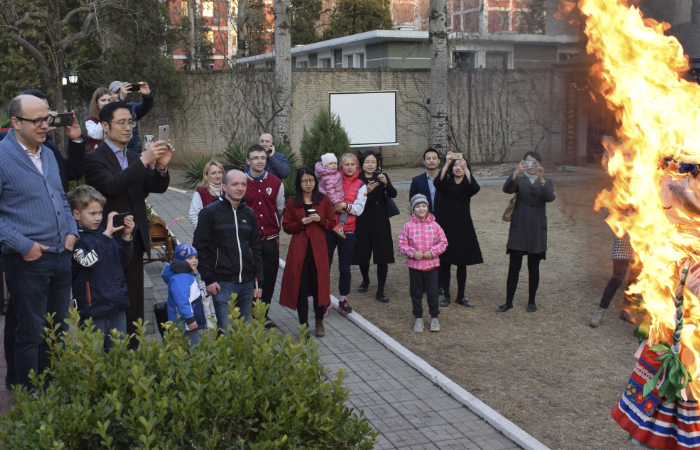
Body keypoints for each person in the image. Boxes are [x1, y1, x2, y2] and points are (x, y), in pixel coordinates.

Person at [1, 89, 85, 387]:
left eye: (47, 119)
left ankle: (52, 395)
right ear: (15, 122)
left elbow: (61, 197)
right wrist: (25, 246)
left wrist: (72, 233)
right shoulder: (2, 157)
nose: (44, 125)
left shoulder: (47, 153)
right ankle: (28, 400)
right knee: (31, 334)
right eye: (36, 120)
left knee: (57, 333)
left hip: (61, 258)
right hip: (27, 261)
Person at [84, 101, 173, 349]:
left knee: (134, 305)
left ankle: (132, 356)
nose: (127, 128)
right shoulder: (93, 159)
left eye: (130, 122)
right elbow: (112, 187)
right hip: (108, 243)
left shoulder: (134, 157)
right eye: (121, 122)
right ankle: (107, 359)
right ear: (104, 126)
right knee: (109, 303)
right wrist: (144, 161)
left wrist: (162, 166)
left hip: (133, 241)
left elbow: (152, 188)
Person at [193, 170, 263, 326]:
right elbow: (200, 247)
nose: (240, 188)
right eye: (235, 184)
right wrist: (209, 279)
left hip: (247, 282)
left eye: (243, 184)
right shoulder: (209, 212)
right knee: (226, 331)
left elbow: (256, 248)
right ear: (224, 187)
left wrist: (258, 282)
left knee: (243, 331)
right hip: (222, 283)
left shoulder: (249, 213)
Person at [68, 186, 133, 352]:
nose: (98, 218)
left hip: (116, 306)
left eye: (100, 213)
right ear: (76, 214)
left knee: (119, 356)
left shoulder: (103, 233)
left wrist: (126, 237)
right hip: (93, 310)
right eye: (92, 213)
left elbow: (122, 262)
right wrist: (107, 235)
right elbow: (88, 262)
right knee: (94, 357)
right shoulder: (75, 239)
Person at [279, 168, 337, 337]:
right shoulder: (291, 203)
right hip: (299, 253)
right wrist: (301, 223)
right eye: (304, 181)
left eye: (311, 180)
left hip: (318, 251)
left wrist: (321, 220)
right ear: (299, 183)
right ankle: (303, 325)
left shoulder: (324, 200)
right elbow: (287, 228)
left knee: (320, 287)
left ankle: (319, 322)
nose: (308, 184)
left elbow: (332, 224)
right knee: (301, 289)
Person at [497, 151, 555, 313]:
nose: (531, 166)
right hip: (519, 228)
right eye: (528, 163)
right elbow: (507, 189)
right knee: (514, 267)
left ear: (540, 164)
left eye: (534, 163)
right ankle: (508, 302)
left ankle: (532, 301)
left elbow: (550, 198)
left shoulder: (546, 181)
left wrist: (541, 178)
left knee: (533, 267)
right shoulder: (519, 180)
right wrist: (516, 172)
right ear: (524, 163)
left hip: (537, 229)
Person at [434, 151, 483, 308]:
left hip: (463, 226)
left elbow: (475, 188)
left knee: (462, 263)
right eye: (456, 165)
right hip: (446, 225)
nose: (458, 167)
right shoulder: (446, 183)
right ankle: (447, 296)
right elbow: (437, 182)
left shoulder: (467, 185)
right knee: (446, 262)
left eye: (461, 165)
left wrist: (467, 169)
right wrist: (447, 163)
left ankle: (460, 296)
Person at [244, 145, 285, 327]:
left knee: (268, 279)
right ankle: (250, 314)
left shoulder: (276, 183)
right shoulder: (241, 183)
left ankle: (263, 315)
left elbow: (280, 207)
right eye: (255, 158)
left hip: (270, 240)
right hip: (247, 242)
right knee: (250, 279)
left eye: (262, 157)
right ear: (248, 161)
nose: (259, 161)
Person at [397, 194, 448, 332]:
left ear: (427, 208)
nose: (421, 209)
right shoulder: (408, 226)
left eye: (423, 206)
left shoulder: (435, 225)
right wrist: (412, 253)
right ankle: (418, 317)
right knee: (416, 293)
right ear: (413, 209)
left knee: (433, 293)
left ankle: (434, 317)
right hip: (414, 267)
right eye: (418, 206)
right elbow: (401, 244)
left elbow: (443, 242)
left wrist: (432, 252)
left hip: (431, 267)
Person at [352, 151, 397, 303]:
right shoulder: (357, 178)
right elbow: (353, 199)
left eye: (373, 162)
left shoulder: (381, 176)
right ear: (362, 164)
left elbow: (393, 193)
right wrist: (367, 191)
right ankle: (365, 280)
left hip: (380, 221)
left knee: (382, 254)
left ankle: (380, 290)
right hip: (363, 220)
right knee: (363, 253)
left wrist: (386, 183)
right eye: (367, 162)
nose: (370, 165)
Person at [326, 153, 367, 314]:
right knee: (325, 266)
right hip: (329, 229)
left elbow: (358, 208)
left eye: (352, 164)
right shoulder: (332, 179)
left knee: (345, 267)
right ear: (341, 166)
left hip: (347, 231)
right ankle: (324, 300)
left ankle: (343, 299)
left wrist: (344, 206)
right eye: (346, 164)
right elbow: (324, 198)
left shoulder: (361, 184)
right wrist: (333, 207)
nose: (349, 167)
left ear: (356, 166)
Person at [409, 148, 446, 295]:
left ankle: (440, 283)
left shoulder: (446, 179)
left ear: (438, 161)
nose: (431, 160)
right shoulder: (417, 180)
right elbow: (412, 200)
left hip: (442, 220)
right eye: (428, 158)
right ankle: (423, 282)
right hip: (424, 222)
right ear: (424, 161)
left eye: (434, 158)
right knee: (424, 250)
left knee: (439, 252)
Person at [589, 234, 640, 327]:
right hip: (623, 243)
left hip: (641, 244)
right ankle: (601, 311)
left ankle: (626, 309)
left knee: (634, 279)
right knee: (617, 279)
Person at [161, 243, 207, 345]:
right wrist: (189, 319)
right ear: (181, 261)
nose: (195, 260)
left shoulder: (186, 274)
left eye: (196, 257)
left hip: (185, 322)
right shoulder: (181, 277)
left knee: (187, 349)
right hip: (184, 323)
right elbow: (181, 300)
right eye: (190, 258)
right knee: (197, 349)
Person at [109, 81, 154, 154]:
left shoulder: (131, 107)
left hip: (134, 152)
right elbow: (118, 114)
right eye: (117, 92)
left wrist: (147, 96)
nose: (120, 94)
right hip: (117, 152)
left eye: (122, 91)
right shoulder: (107, 110)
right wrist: (121, 99)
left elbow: (146, 107)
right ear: (110, 94)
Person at [315, 153, 347, 237]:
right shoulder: (330, 176)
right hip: (333, 199)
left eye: (335, 163)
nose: (333, 165)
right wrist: (337, 202)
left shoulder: (326, 174)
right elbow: (330, 191)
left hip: (329, 198)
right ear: (325, 165)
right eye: (330, 163)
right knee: (345, 210)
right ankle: (339, 226)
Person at [188, 160, 224, 228]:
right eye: (213, 173)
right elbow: (193, 216)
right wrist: (203, 231)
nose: (218, 176)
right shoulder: (201, 192)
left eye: (220, 172)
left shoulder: (227, 191)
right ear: (206, 175)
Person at [86, 87, 115, 151]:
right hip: (97, 155)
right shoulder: (90, 121)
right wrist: (104, 115)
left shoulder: (114, 118)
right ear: (96, 102)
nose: (107, 103)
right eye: (103, 100)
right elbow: (97, 135)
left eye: (108, 100)